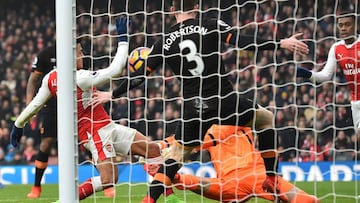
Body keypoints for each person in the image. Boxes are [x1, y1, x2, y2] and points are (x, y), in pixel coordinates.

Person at [92, 1, 309, 202]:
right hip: (224, 100)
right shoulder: (211, 25)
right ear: (196, 6)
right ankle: (271, 177)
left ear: (170, 10)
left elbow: (139, 76)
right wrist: (281, 43)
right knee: (266, 119)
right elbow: (244, 41)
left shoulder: (163, 42)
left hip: (193, 108)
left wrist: (113, 94)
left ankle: (148, 200)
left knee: (175, 157)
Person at [9, 17, 163, 201]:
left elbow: (35, 105)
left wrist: (18, 125)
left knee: (153, 150)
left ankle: (168, 198)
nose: (83, 56)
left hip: (107, 126)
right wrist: (123, 41)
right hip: (94, 132)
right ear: (71, 56)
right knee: (109, 179)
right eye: (80, 53)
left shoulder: (50, 78)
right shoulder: (79, 77)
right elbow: (115, 70)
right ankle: (65, 200)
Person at [171, 124, 320, 203]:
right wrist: (156, 151)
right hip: (231, 182)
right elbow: (179, 141)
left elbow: (197, 140)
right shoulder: (204, 128)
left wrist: (168, 148)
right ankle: (171, 177)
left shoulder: (236, 117)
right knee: (177, 177)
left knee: (307, 200)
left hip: (252, 174)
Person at [296, 10, 360, 130]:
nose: (343, 28)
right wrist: (306, 73)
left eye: (347, 24)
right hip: (355, 102)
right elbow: (325, 75)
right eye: (340, 25)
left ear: (356, 25)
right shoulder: (336, 48)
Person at [25, 43, 57, 198]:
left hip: (76, 104)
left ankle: (106, 182)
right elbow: (33, 80)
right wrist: (29, 107)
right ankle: (36, 187)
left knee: (87, 141)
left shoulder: (79, 52)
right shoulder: (46, 53)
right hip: (51, 105)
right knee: (46, 143)